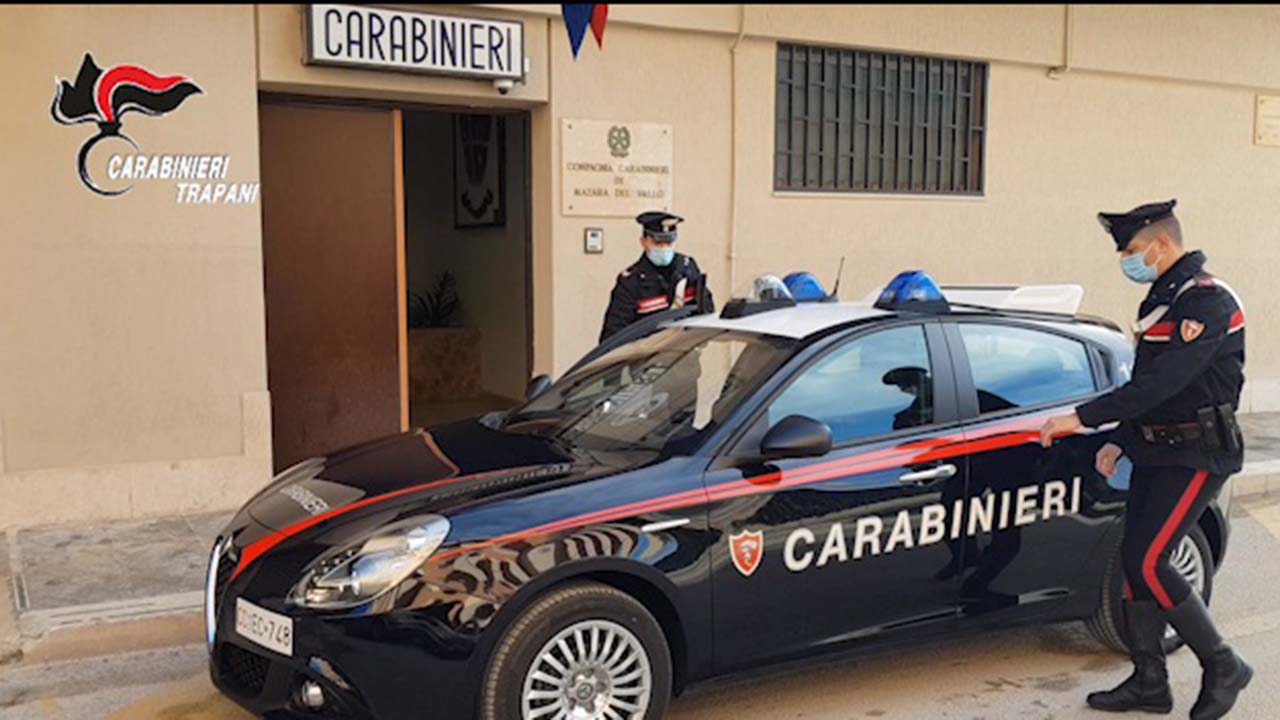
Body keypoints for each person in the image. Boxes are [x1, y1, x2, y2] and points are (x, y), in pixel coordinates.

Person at [1039, 200, 1250, 719]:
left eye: (1132, 251)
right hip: (1158, 449)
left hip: (1199, 451)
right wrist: (1123, 441)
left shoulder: (1207, 301)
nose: (1127, 261)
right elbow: (1146, 390)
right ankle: (1150, 681)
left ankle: (1223, 665)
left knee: (1154, 560)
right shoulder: (1165, 298)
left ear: (1161, 244)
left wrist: (1085, 418)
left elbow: (1167, 382)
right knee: (1136, 563)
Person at [599, 211, 714, 342]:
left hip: (684, 355)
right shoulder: (631, 281)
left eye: (669, 243)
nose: (664, 249)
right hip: (646, 358)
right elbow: (613, 335)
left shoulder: (688, 268)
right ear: (643, 242)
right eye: (658, 244)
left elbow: (706, 310)